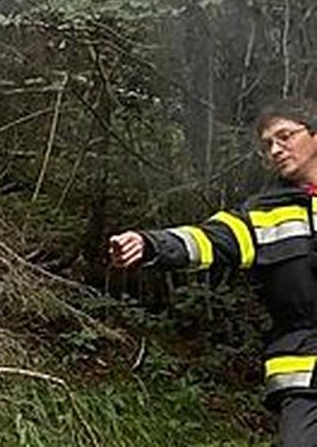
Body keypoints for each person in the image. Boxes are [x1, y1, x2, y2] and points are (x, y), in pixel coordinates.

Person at [109, 97, 317, 446]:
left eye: (285, 136)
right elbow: (207, 239)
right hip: (304, 374)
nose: (275, 149)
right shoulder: (261, 214)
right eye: (267, 145)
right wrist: (149, 244)